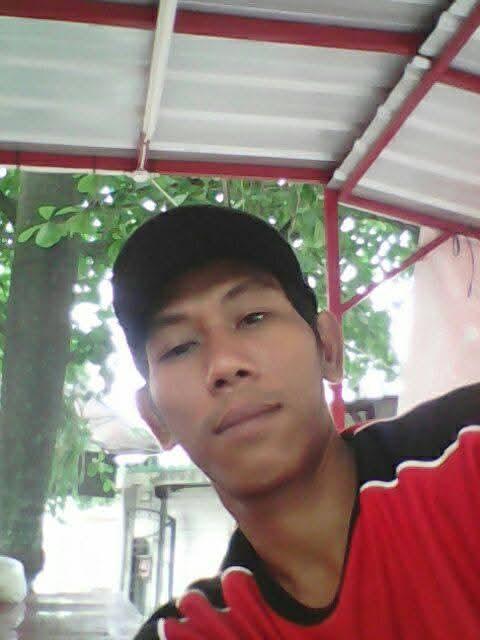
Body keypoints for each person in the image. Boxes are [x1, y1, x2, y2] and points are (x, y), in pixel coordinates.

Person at [112, 204, 480, 640]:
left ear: (328, 348)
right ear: (155, 418)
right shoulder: (195, 632)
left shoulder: (465, 458)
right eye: (179, 347)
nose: (224, 364)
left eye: (252, 318)